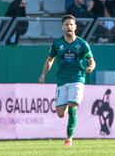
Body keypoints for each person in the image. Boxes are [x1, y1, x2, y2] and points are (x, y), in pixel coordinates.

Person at [39, 14, 96, 146]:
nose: (69, 26)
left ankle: (69, 138)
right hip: (62, 80)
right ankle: (67, 107)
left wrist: (91, 67)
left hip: (77, 79)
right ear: (62, 27)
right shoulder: (57, 44)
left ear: (75, 27)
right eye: (66, 24)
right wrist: (43, 75)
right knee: (60, 113)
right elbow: (50, 60)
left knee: (72, 108)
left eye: (71, 24)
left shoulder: (82, 44)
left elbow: (91, 61)